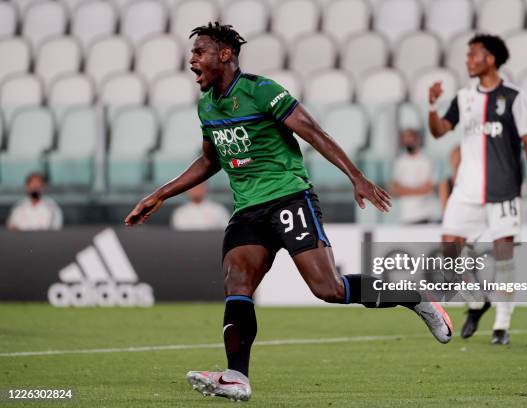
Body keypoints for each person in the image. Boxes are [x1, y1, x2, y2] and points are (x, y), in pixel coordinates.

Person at [124, 22, 453, 402]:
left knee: (329, 289)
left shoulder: (261, 91)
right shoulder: (207, 106)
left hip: (288, 198)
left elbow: (312, 131)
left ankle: (412, 297)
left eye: (200, 52)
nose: (192, 59)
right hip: (248, 210)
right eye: (192, 53)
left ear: (225, 55)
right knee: (237, 281)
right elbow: (210, 160)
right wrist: (161, 194)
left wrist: (356, 176)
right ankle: (237, 376)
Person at [428, 33, 527, 345]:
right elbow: (440, 131)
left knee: (504, 256)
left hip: (503, 191)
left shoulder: (514, 96)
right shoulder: (464, 98)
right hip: (466, 191)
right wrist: (431, 106)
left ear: (490, 58)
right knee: (449, 249)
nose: (467, 60)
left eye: (473, 54)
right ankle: (477, 300)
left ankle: (502, 326)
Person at [389, 128, 435, 224]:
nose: (407, 140)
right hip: (405, 216)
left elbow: (428, 188)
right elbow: (394, 189)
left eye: (410, 137)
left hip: (424, 215)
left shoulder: (426, 161)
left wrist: (404, 190)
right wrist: (417, 190)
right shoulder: (400, 162)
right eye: (405, 138)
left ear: (417, 139)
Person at [438, 145, 461, 213]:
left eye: (459, 158)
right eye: (454, 158)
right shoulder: (445, 183)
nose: (457, 161)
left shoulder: (470, 182)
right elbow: (444, 208)